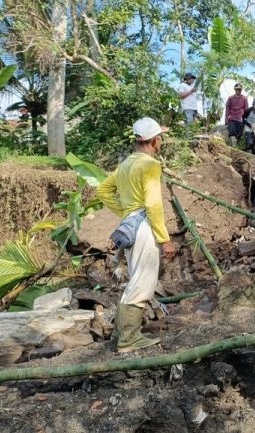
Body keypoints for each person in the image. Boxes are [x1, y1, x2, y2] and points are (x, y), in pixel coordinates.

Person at [95, 117, 177, 353]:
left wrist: (126, 212)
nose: (160, 140)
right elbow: (153, 204)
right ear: (155, 140)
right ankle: (129, 340)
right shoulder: (150, 165)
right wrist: (165, 238)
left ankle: (121, 334)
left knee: (135, 280)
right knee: (143, 283)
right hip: (143, 228)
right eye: (159, 137)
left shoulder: (126, 164)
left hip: (129, 225)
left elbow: (103, 190)